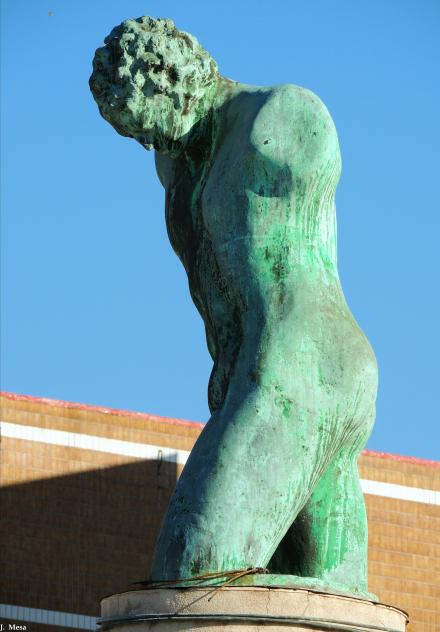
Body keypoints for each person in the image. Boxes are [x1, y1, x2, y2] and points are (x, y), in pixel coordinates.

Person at [90, 16, 378, 598]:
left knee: (193, 574)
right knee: (331, 596)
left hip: (302, 365)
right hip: (258, 375)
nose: (149, 142)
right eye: (134, 134)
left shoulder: (281, 117)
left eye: (145, 123)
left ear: (168, 74)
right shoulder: (177, 164)